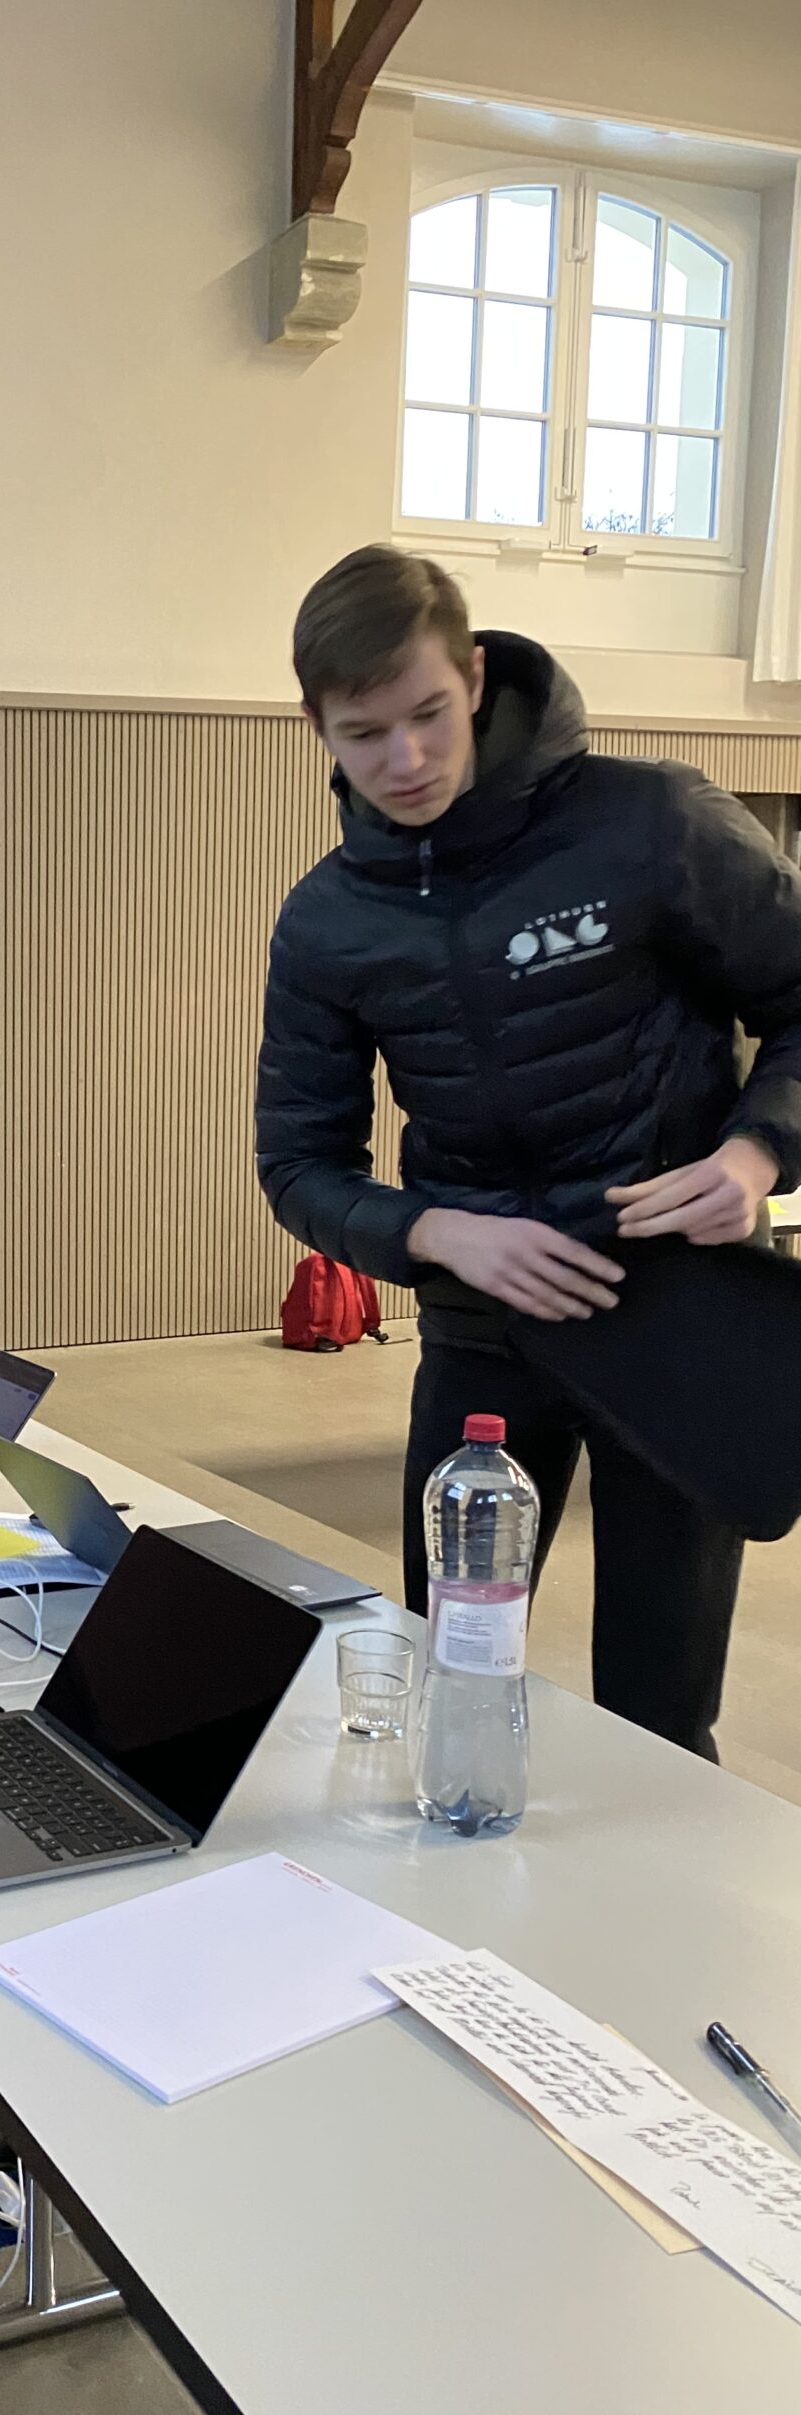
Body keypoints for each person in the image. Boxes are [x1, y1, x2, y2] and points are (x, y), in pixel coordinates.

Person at [256, 545, 801, 1761]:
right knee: (454, 1675)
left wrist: (758, 1155)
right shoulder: (328, 920)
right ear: (317, 727)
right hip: (483, 1332)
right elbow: (298, 1163)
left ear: (474, 676)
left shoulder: (651, 821)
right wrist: (438, 1232)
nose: (405, 759)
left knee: (661, 1713)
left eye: (428, 715)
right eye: (364, 734)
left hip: (678, 1307)